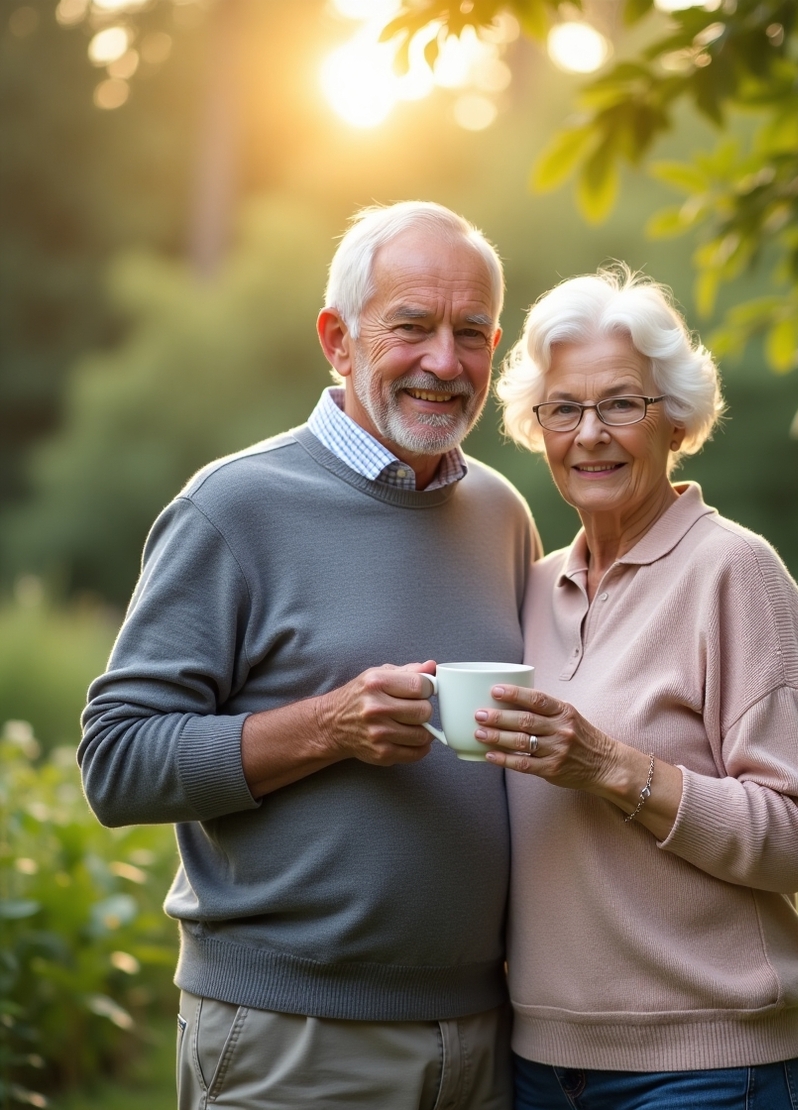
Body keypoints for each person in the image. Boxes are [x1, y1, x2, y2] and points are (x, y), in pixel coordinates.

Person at [78, 201, 540, 1110]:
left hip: (487, 1035)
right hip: (292, 1041)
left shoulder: (502, 513)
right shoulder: (234, 507)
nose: (445, 363)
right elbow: (116, 763)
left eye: (472, 333)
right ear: (338, 339)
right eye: (411, 327)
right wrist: (330, 725)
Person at [477, 267, 798, 1109]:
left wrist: (607, 765)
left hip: (709, 1063)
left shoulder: (735, 573)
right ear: (539, 428)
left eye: (622, 404)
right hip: (538, 1061)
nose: (591, 434)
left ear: (675, 418)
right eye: (564, 408)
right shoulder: (532, 589)